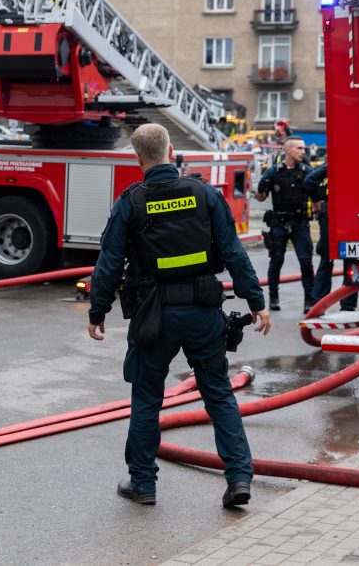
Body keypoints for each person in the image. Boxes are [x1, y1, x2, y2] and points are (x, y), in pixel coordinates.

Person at [87, 123, 271, 508]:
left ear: (139, 159)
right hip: (203, 312)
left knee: (147, 399)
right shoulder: (204, 194)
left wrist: (98, 310)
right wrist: (256, 302)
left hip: (154, 316)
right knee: (218, 394)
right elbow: (234, 253)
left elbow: (108, 263)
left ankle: (143, 484)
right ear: (171, 152)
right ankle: (238, 477)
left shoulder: (131, 201)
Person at [255, 136, 315, 313]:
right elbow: (261, 197)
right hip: (279, 222)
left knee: (306, 261)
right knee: (276, 260)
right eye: (299, 148)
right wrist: (261, 187)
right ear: (287, 150)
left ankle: (309, 300)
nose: (303, 152)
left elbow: (317, 196)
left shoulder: (307, 171)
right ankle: (273, 296)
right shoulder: (273, 172)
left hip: (300, 221)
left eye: (303, 149)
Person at [304, 163, 359, 312]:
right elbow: (309, 181)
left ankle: (318, 304)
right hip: (351, 215)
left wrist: (316, 199)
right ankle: (347, 305)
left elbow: (309, 181)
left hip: (331, 217)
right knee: (352, 259)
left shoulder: (330, 165)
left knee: (327, 259)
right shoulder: (352, 164)